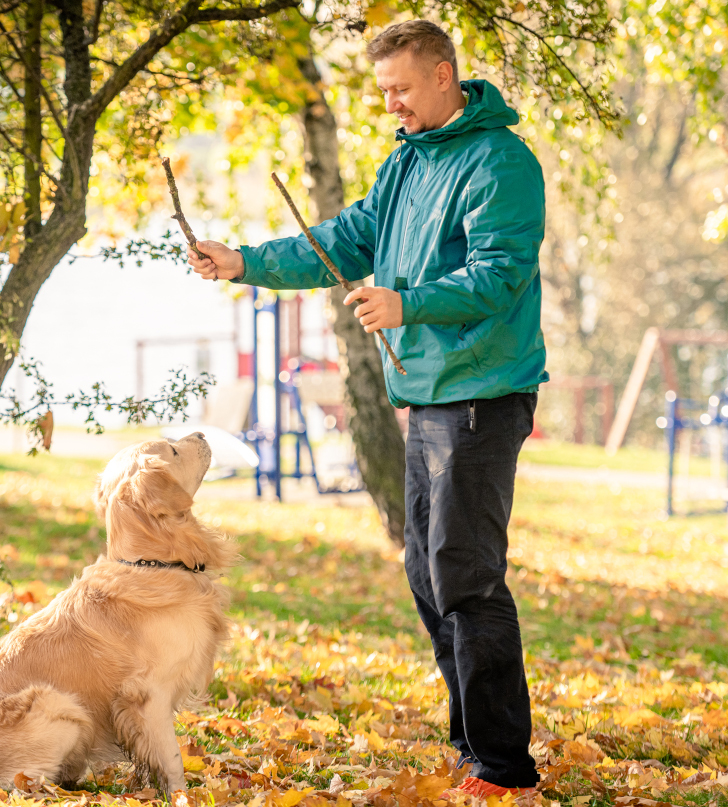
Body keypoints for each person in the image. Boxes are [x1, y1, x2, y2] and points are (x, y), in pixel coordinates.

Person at [187, 19, 547, 799]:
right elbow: (344, 240)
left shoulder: (501, 161)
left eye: (402, 88)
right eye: (384, 91)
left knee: (467, 574)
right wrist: (243, 261)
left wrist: (406, 302)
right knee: (427, 570)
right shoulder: (406, 162)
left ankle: (504, 767)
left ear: (445, 75)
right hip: (427, 395)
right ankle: (472, 742)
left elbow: (500, 275)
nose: (392, 105)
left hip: (483, 393)